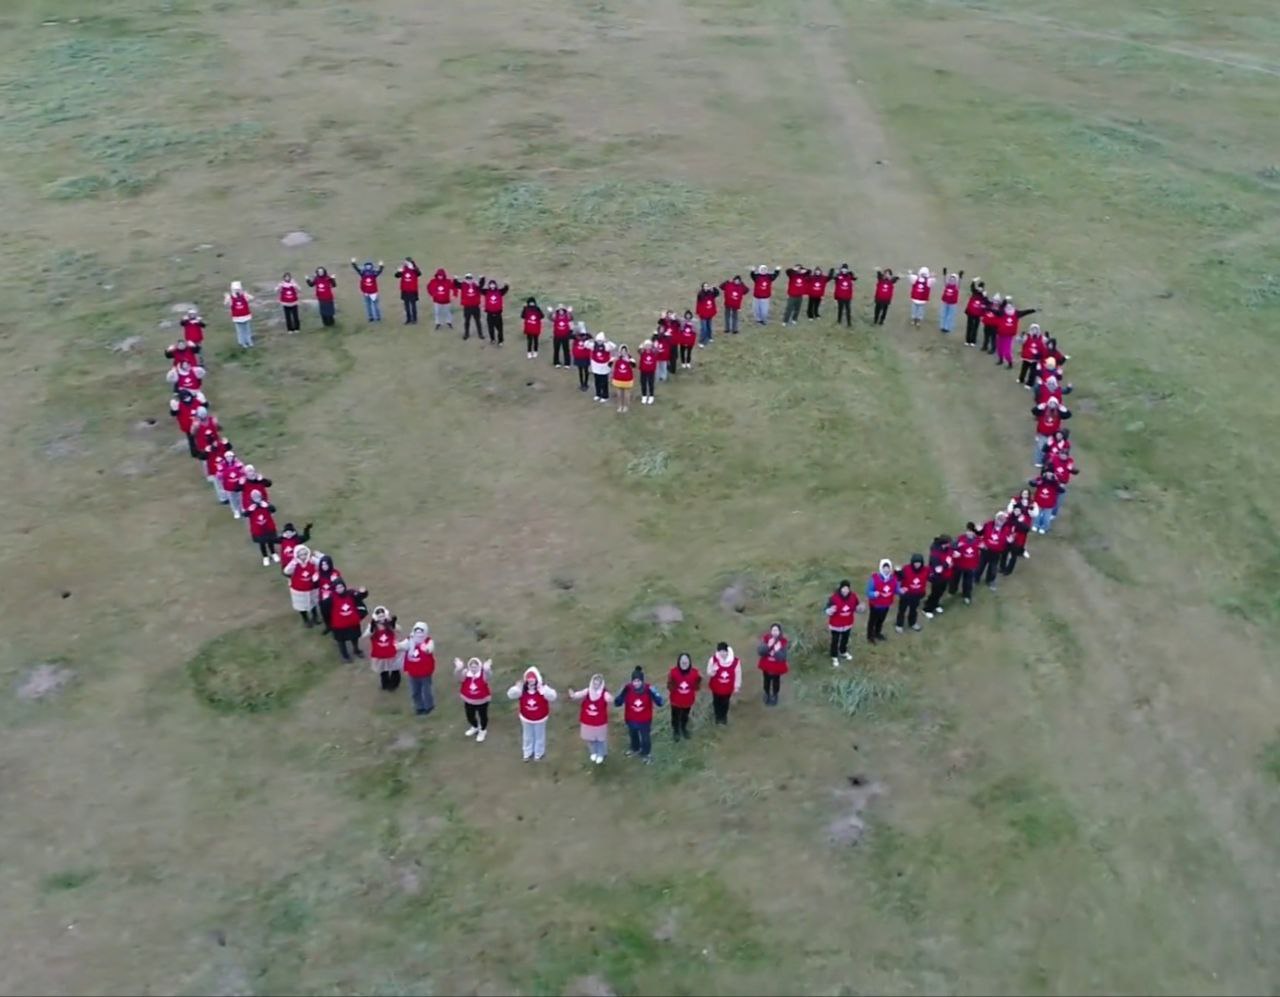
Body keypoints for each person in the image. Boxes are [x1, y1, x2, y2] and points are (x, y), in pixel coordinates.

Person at [507, 666, 557, 761]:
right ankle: (527, 753)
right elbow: (510, 695)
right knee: (527, 736)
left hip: (540, 718)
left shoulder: (543, 688)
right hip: (526, 718)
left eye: (533, 679)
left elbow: (553, 697)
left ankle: (538, 754)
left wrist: (543, 690)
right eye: (529, 679)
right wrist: (517, 688)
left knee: (539, 736)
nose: (531, 681)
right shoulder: (522, 690)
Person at [615, 667, 664, 762]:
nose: (636, 683)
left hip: (644, 720)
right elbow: (619, 701)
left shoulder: (649, 689)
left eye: (638, 681)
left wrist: (658, 699)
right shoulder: (628, 688)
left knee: (645, 739)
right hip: (631, 719)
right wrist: (618, 700)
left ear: (642, 681)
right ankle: (635, 749)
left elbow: (659, 701)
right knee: (633, 736)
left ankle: (646, 754)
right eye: (634, 681)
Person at [568, 674, 611, 764]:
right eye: (594, 683)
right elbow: (578, 695)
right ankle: (594, 752)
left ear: (601, 684)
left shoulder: (604, 693)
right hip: (588, 721)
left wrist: (610, 698)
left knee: (600, 739)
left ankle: (601, 754)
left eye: (598, 684)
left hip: (599, 722)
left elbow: (609, 699)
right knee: (590, 739)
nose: (596, 686)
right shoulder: (587, 691)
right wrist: (573, 695)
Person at [327, 580, 369, 662]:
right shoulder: (331, 598)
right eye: (337, 588)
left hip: (352, 622)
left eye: (341, 587)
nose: (340, 589)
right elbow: (326, 611)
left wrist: (363, 592)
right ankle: (345, 656)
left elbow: (360, 596)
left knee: (355, 637)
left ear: (344, 587)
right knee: (341, 641)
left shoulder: (351, 593)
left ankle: (356, 650)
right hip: (338, 625)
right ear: (334, 589)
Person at [400, 622, 435, 715]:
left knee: (426, 690)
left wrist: (426, 649)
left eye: (421, 632)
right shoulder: (410, 640)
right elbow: (402, 645)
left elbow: (430, 649)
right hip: (413, 672)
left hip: (425, 672)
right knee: (415, 691)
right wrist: (396, 646)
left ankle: (429, 706)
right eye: (417, 631)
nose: (419, 634)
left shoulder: (428, 641)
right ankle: (419, 707)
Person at [454, 657, 493, 741]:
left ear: (479, 666)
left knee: (483, 716)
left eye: (475, 667)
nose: (473, 669)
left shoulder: (483, 675)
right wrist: (458, 669)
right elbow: (458, 677)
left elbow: (489, 675)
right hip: (468, 700)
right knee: (470, 716)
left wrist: (487, 669)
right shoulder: (465, 673)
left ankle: (482, 730)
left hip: (482, 701)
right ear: (469, 667)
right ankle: (475, 727)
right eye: (472, 667)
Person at [825, 580, 860, 666]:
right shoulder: (833, 598)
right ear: (840, 588)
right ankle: (834, 656)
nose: (845, 590)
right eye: (843, 588)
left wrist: (860, 609)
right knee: (835, 640)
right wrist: (829, 610)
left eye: (847, 588)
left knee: (845, 639)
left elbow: (857, 606)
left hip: (848, 624)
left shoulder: (853, 596)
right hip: (836, 625)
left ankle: (843, 651)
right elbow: (826, 609)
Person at [284, 544, 321, 627]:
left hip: (311, 587)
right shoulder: (294, 563)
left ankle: (315, 617)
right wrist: (293, 562)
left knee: (313, 603)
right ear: (297, 555)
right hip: (299, 589)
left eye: (305, 554)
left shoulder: (311, 561)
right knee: (301, 606)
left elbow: (321, 563)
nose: (303, 556)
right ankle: (306, 620)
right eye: (301, 554)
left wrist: (318, 556)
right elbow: (286, 571)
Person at [666, 652, 701, 740]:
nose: (684, 663)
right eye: (682, 661)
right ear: (679, 662)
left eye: (686, 661)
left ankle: (683, 728)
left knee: (685, 716)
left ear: (689, 662)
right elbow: (669, 687)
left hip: (688, 701)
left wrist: (698, 681)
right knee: (675, 717)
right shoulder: (673, 672)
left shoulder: (695, 673)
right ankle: (676, 731)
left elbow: (696, 688)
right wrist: (671, 684)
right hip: (675, 701)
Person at [365, 607, 401, 690]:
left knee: (394, 668)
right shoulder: (373, 626)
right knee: (383, 670)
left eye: (383, 615)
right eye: (379, 616)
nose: (381, 618)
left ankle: (394, 683)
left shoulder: (389, 623)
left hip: (391, 651)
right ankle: (385, 683)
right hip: (379, 653)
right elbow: (366, 635)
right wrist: (371, 628)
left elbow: (399, 629)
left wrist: (393, 624)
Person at [995, 300, 1037, 369]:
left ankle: (1010, 363)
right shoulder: (1002, 313)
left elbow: (1025, 312)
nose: (1009, 308)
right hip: (1000, 334)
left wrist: (1033, 310)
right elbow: (995, 311)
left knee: (1007, 352)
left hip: (1008, 336)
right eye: (1007, 307)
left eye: (1010, 307)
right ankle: (1000, 360)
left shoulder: (1016, 314)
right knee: (999, 349)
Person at [706, 642, 741, 725]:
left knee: (725, 702)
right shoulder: (713, 660)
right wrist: (713, 670)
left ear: (727, 651)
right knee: (716, 702)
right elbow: (709, 672)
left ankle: (723, 717)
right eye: (720, 651)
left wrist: (737, 686)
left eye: (724, 651)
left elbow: (738, 673)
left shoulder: (735, 661)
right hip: (716, 687)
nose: (722, 653)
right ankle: (717, 717)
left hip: (728, 688)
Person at [866, 559, 899, 642]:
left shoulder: (893, 580)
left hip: (885, 605)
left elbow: (896, 590)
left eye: (888, 568)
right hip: (875, 605)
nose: (886, 570)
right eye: (884, 568)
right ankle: (870, 636)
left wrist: (902, 590)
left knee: (881, 620)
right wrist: (873, 594)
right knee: (872, 621)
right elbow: (868, 592)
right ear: (881, 568)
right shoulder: (874, 579)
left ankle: (877, 633)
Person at [756, 623, 789, 706]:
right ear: (770, 631)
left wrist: (777, 650)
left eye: (776, 630)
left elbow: (782, 658)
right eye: (773, 630)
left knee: (776, 682)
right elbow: (760, 652)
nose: (774, 632)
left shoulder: (783, 642)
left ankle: (775, 695)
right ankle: (766, 693)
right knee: (766, 681)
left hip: (777, 667)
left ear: (780, 631)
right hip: (766, 665)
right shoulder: (766, 639)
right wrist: (768, 646)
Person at [1032, 397, 1072, 466]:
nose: (1052, 405)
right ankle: (1038, 462)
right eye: (1051, 403)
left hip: (1054, 435)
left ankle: (1051, 462)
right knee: (1040, 447)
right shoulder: (1043, 409)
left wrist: (1064, 409)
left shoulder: (1059, 412)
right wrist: (1039, 407)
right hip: (1043, 433)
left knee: (1052, 449)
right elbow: (1034, 412)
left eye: (1054, 403)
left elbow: (1068, 415)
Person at [922, 535, 953, 619]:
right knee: (935, 593)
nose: (950, 545)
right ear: (944, 544)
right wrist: (947, 564)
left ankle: (935, 604)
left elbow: (950, 554)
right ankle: (927, 609)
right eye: (948, 543)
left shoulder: (948, 549)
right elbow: (938, 569)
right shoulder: (935, 554)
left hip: (946, 575)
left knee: (941, 591)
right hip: (937, 577)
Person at [896, 554, 929, 632]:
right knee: (902, 610)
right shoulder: (906, 569)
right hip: (906, 595)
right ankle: (899, 625)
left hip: (917, 595)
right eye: (915, 563)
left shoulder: (926, 570)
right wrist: (897, 573)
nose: (917, 565)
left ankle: (912, 623)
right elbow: (898, 578)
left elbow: (931, 578)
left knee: (913, 610)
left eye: (919, 563)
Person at [976, 512, 1009, 590]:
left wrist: (1009, 542)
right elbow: (979, 534)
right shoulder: (988, 525)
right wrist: (978, 531)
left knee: (993, 568)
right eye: (999, 520)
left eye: (1002, 521)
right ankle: (976, 579)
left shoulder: (1006, 529)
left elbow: (1006, 541)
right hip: (985, 550)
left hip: (996, 553)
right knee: (980, 566)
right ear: (996, 519)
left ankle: (990, 581)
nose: (1000, 522)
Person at [245, 493, 278, 566]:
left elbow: (274, 510)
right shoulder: (250, 505)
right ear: (252, 498)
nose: (257, 499)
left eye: (258, 497)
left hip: (268, 527)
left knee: (270, 541)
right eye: (255, 497)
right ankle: (265, 557)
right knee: (262, 543)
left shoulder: (265, 503)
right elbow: (245, 514)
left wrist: (268, 506)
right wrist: (250, 510)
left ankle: (273, 553)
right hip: (258, 529)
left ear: (260, 497)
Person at [950, 526, 981, 605]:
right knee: (955, 579)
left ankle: (966, 595)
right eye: (968, 531)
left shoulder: (979, 540)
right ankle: (952, 591)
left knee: (968, 582)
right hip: (958, 565)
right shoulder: (959, 539)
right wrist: (954, 552)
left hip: (971, 566)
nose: (969, 533)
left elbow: (983, 548)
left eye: (972, 531)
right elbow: (951, 548)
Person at [1001, 501, 1032, 575]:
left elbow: (1026, 529)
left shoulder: (1024, 518)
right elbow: (1005, 524)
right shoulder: (1011, 516)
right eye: (1015, 510)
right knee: (1004, 553)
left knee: (1013, 556)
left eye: (1018, 510)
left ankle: (1008, 570)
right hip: (1008, 538)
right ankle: (1002, 567)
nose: (1016, 512)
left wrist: (1019, 522)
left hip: (1017, 541)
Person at [224, 280, 254, 347]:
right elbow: (226, 304)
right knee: (240, 331)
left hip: (246, 316)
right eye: (235, 290)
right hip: (237, 317)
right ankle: (242, 342)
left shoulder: (244, 295)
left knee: (247, 329)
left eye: (238, 289)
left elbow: (252, 298)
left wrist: (247, 294)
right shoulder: (231, 297)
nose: (237, 291)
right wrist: (227, 298)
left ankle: (249, 341)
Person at [455, 273, 483, 340]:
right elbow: (457, 284)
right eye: (467, 279)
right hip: (467, 307)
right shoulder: (463, 285)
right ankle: (466, 334)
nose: (469, 280)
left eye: (470, 279)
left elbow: (481, 285)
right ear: (465, 279)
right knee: (467, 321)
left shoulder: (476, 285)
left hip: (475, 307)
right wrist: (455, 279)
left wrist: (482, 279)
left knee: (478, 321)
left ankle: (480, 334)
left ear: (472, 279)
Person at [394, 258, 422, 324]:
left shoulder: (414, 269)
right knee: (406, 306)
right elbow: (396, 276)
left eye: (407, 262)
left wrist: (413, 268)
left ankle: (414, 319)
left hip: (413, 291)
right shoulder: (403, 269)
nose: (406, 263)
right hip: (405, 291)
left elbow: (419, 274)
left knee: (413, 305)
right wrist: (398, 272)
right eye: (405, 262)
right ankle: (408, 319)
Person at [482, 277, 509, 345]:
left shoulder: (499, 292)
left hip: (498, 314)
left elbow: (505, 289)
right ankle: (492, 339)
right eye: (491, 284)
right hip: (490, 314)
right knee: (491, 328)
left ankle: (500, 341)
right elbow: (479, 289)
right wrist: (481, 280)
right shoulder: (486, 292)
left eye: (493, 284)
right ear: (489, 285)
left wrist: (506, 284)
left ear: (495, 285)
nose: (492, 285)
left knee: (499, 329)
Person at [938, 268, 964, 334]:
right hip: (945, 302)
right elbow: (944, 280)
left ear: (956, 281)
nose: (952, 281)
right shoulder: (947, 285)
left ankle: (946, 328)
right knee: (943, 314)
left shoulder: (956, 287)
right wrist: (944, 274)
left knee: (950, 316)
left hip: (952, 304)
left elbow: (960, 283)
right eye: (951, 279)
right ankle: (942, 326)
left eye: (953, 280)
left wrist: (960, 276)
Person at [589, 333, 613, 403]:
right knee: (597, 381)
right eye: (598, 340)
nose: (599, 342)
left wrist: (607, 341)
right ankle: (598, 394)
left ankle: (605, 396)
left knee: (604, 382)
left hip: (604, 367)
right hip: (596, 366)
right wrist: (590, 339)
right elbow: (586, 344)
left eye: (601, 340)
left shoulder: (606, 346)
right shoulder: (594, 345)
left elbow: (613, 346)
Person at [963, 279, 987, 346]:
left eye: (981, 288)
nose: (980, 289)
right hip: (970, 312)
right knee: (969, 326)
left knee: (975, 327)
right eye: (979, 287)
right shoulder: (975, 292)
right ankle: (968, 340)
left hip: (978, 314)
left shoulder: (983, 295)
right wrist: (973, 281)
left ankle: (973, 341)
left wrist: (985, 296)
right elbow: (972, 287)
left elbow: (986, 303)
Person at [612, 345, 635, 413]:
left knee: (626, 394)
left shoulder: (631, 359)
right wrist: (615, 358)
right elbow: (611, 364)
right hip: (618, 379)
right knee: (619, 394)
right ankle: (620, 406)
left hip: (627, 380)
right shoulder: (617, 359)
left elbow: (634, 366)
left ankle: (626, 406)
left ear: (627, 352)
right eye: (622, 351)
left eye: (625, 351)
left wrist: (628, 361)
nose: (623, 352)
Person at [572, 327, 592, 392]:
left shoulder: (587, 339)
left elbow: (590, 336)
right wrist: (577, 333)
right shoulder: (576, 339)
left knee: (586, 371)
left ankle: (586, 383)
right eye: (580, 335)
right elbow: (570, 335)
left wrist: (585, 334)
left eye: (582, 335)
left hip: (585, 357)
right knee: (580, 371)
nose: (581, 337)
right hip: (578, 357)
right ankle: (581, 384)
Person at [638, 339, 658, 406]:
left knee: (650, 384)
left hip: (651, 371)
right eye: (646, 345)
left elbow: (656, 350)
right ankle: (644, 396)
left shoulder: (653, 352)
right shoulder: (642, 352)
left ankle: (651, 396)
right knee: (643, 383)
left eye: (649, 345)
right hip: (643, 371)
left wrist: (654, 345)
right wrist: (642, 346)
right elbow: (639, 350)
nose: (648, 347)